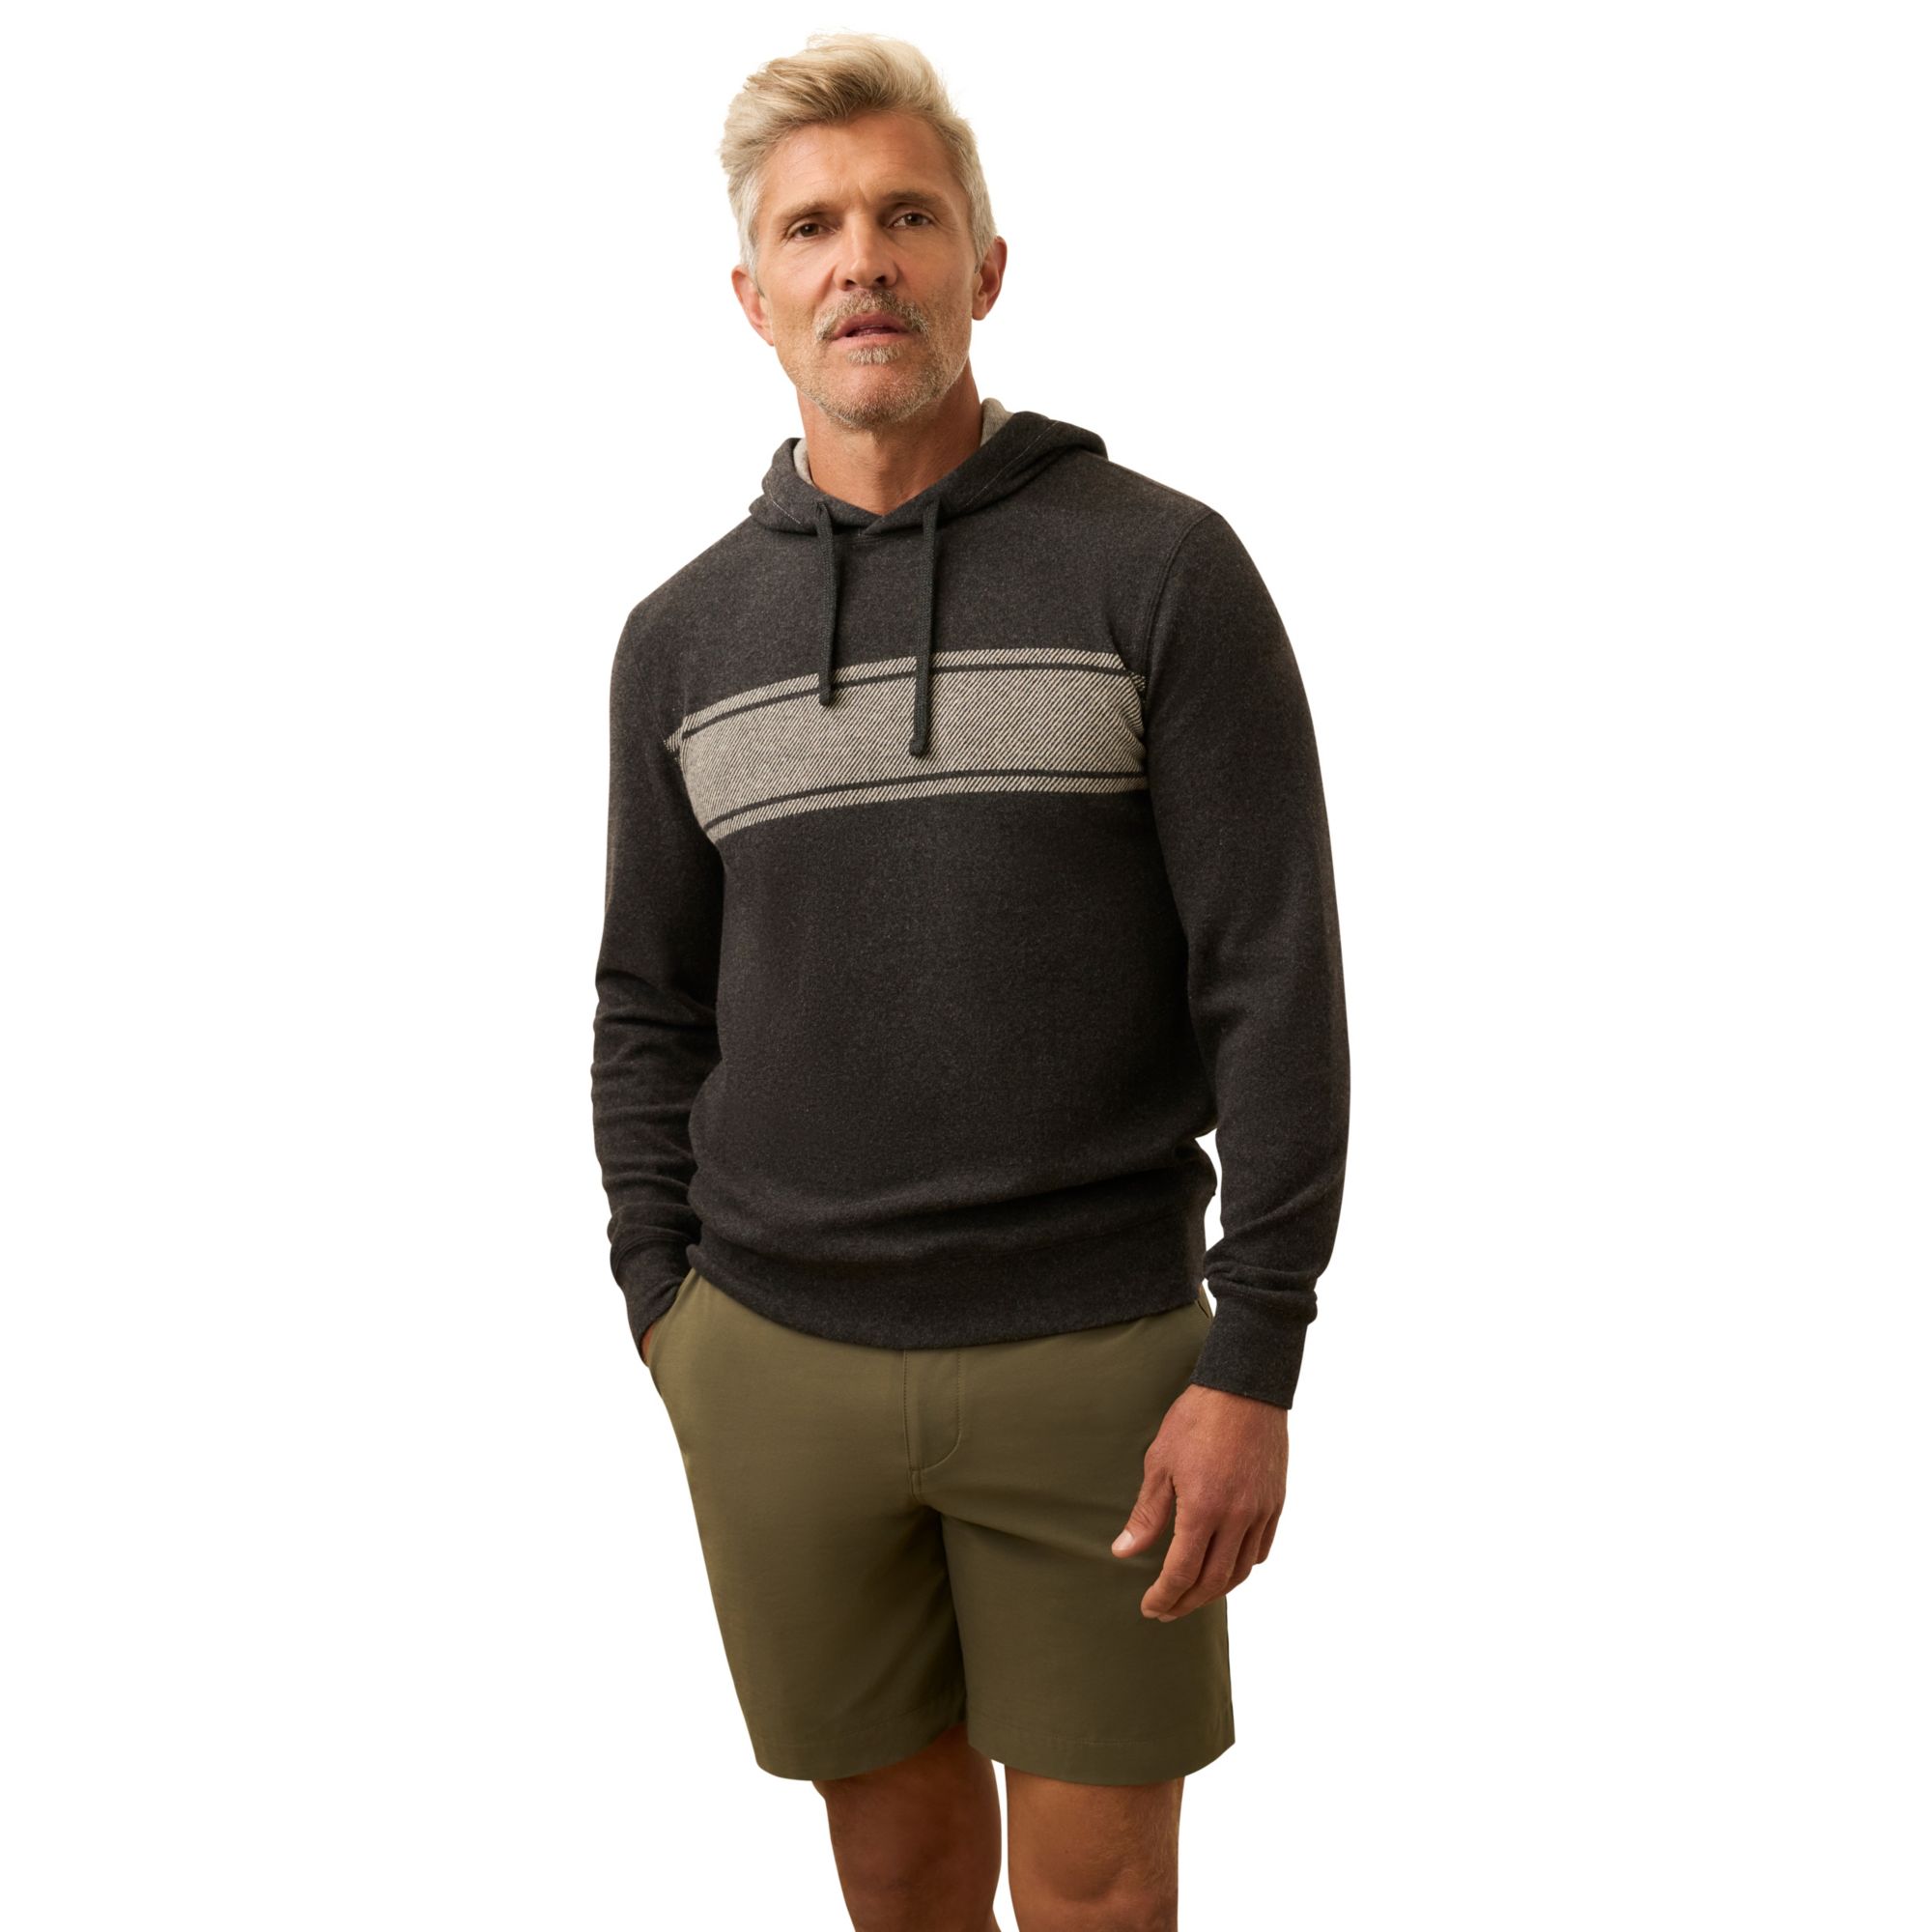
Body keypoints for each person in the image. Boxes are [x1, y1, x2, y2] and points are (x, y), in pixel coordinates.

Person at [589, 31, 1350, 1931]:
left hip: (1096, 1363)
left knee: (1099, 1900)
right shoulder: (680, 640)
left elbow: (1272, 977)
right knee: (901, 1880)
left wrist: (1254, 1349)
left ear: (983, 268)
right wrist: (667, 1310)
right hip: (771, 1363)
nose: (863, 258)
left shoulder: (1159, 571)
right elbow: (648, 1006)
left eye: (906, 216)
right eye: (812, 227)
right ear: (752, 296)